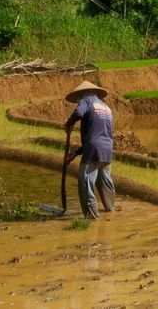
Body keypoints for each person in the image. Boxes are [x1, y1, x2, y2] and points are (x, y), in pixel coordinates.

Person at [63, 80, 116, 219]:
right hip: (107, 149)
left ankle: (91, 217)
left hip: (94, 148)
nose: (78, 101)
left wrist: (69, 123)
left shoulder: (86, 100)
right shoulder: (105, 107)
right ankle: (111, 208)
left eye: (78, 98)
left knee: (85, 179)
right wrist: (75, 153)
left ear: (81, 94)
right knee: (104, 180)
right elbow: (98, 135)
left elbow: (79, 113)